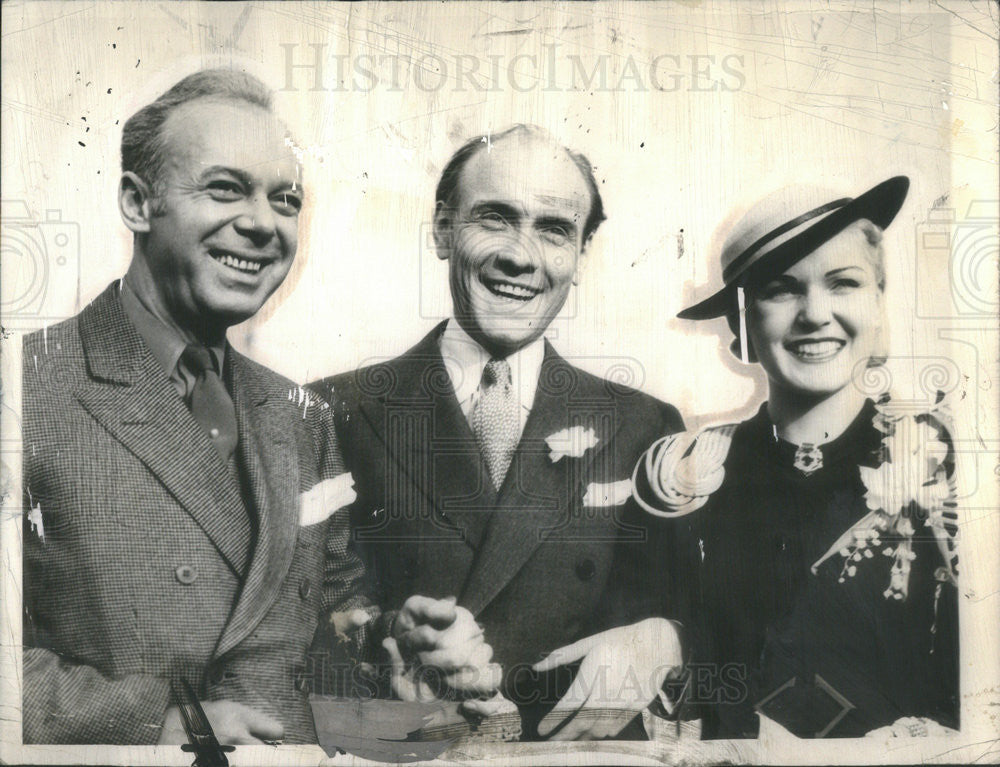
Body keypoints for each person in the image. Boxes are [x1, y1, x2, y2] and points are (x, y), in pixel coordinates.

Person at [21, 68, 491, 746]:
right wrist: (162, 720)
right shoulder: (26, 387)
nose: (262, 224)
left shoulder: (300, 415)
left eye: (285, 199)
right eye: (225, 188)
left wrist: (391, 649)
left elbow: (328, 614)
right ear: (135, 202)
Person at [311, 124, 686, 740]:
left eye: (554, 229)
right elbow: (288, 622)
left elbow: (701, 611)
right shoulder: (333, 410)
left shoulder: (645, 425)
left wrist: (668, 641)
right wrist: (385, 641)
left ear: (582, 257)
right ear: (441, 230)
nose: (521, 255)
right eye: (494, 218)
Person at [633, 176, 960, 739]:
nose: (815, 314)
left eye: (844, 284)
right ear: (742, 324)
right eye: (782, 289)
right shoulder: (691, 473)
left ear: (878, 305)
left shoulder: (944, 463)